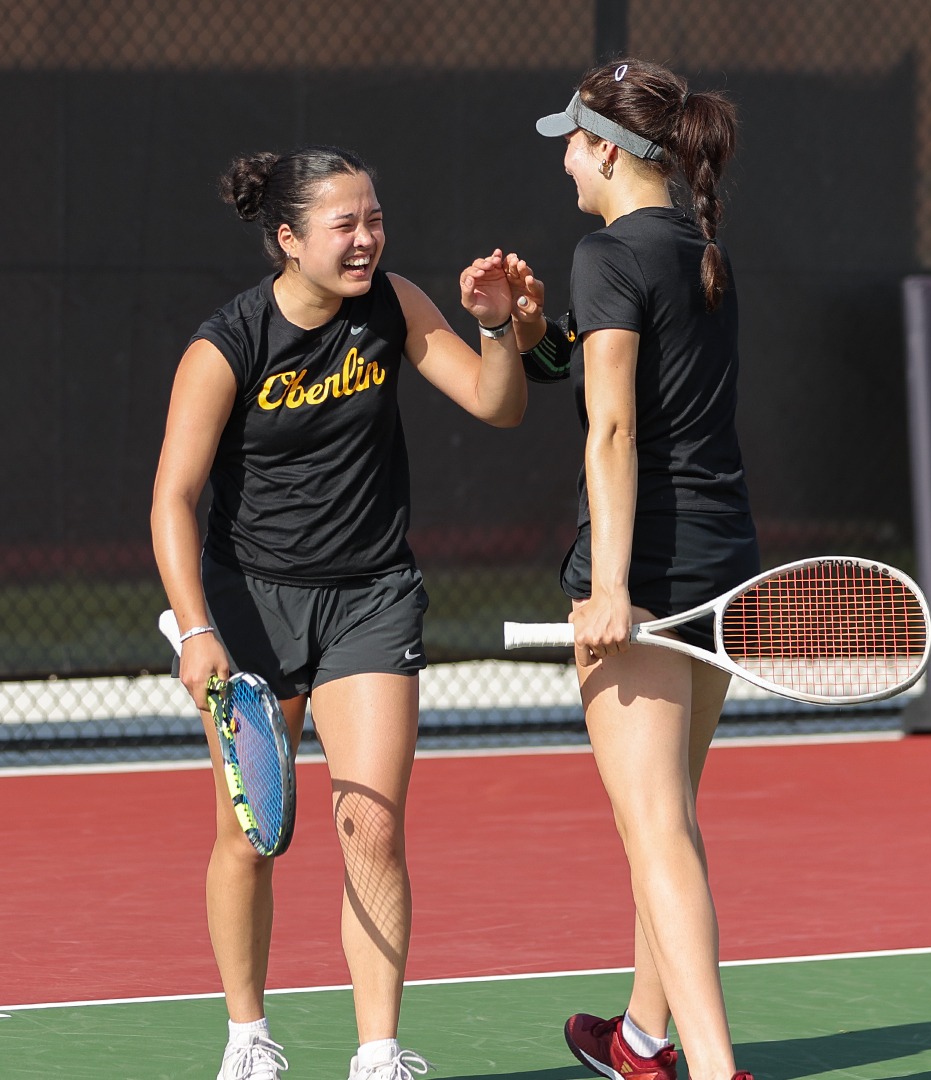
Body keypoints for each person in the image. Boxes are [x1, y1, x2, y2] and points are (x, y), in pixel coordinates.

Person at [150, 145, 527, 1080]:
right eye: (344, 225)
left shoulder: (393, 305)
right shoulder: (225, 345)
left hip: (370, 595)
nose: (366, 240)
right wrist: (196, 629)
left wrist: (499, 329)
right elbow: (171, 498)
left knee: (374, 825)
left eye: (375, 219)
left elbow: (497, 404)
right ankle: (247, 1037)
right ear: (288, 239)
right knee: (251, 835)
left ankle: (378, 1052)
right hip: (251, 606)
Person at [501, 59, 759, 1080]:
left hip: (645, 570)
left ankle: (712, 1066)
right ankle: (643, 1040)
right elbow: (610, 373)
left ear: (608, 148)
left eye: (573, 139)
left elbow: (613, 431)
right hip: (723, 559)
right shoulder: (703, 249)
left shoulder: (605, 251)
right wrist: (528, 336)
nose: (564, 159)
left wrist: (609, 590)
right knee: (672, 826)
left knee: (655, 831)